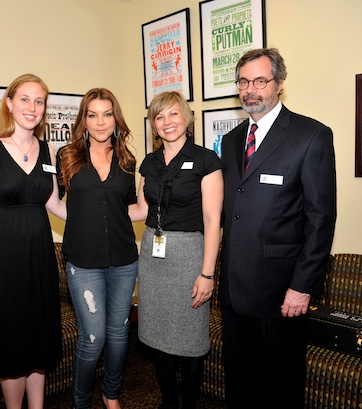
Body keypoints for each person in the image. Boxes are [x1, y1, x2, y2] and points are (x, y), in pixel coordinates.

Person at [220, 48, 337, 409]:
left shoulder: (311, 135)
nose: (250, 89)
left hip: (281, 293)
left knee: (281, 387)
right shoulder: (232, 140)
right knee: (240, 382)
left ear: (279, 84)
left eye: (260, 80)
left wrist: (302, 286)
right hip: (234, 291)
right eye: (243, 81)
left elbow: (321, 219)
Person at [0, 73, 66, 409]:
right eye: (25, 99)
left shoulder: (49, 150)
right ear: (9, 103)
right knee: (10, 341)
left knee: (38, 339)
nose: (32, 107)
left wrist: (102, 215)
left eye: (39, 101)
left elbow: (53, 204)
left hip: (38, 258)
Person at [128, 91, 223, 409]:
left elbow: (213, 221)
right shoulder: (149, 162)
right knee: (159, 340)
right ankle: (168, 401)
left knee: (190, 340)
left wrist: (206, 273)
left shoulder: (207, 160)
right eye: (159, 116)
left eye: (173, 114)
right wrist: (97, 208)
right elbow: (141, 210)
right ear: (153, 125)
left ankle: (189, 404)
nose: (167, 122)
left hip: (189, 257)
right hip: (153, 258)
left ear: (187, 118)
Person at [57, 88, 139, 409]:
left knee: (119, 335)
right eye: (93, 115)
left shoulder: (128, 160)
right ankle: (81, 402)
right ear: (84, 120)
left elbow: (130, 209)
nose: (100, 122)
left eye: (107, 114)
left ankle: (111, 394)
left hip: (123, 260)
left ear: (115, 119)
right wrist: (79, 221)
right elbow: (52, 200)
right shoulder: (67, 156)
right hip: (83, 263)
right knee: (93, 339)